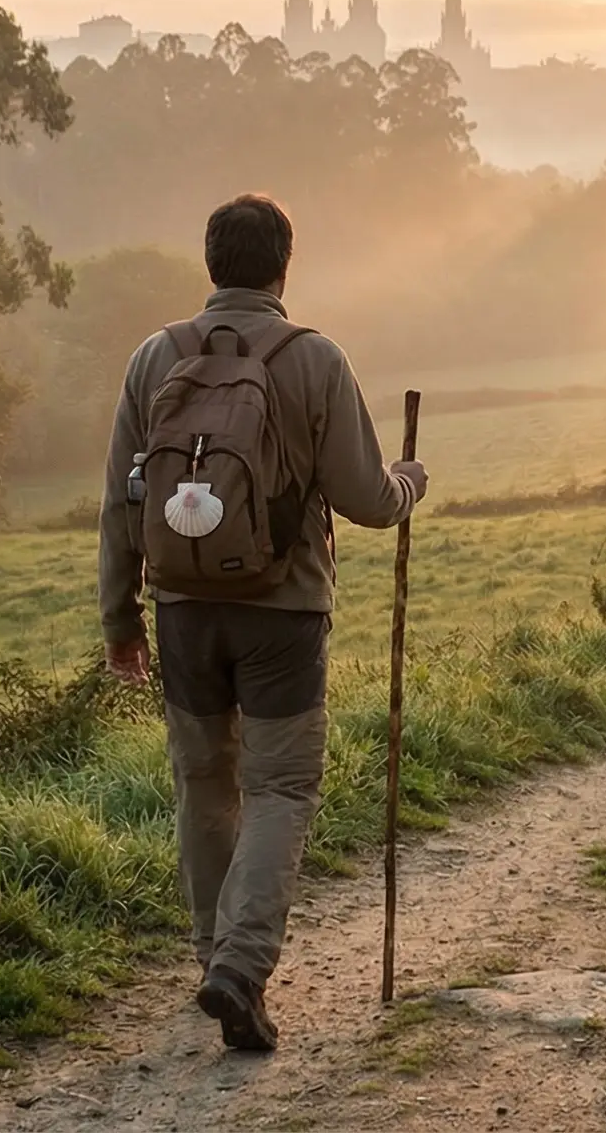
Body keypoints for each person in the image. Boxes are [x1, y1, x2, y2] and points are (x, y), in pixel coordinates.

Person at [99, 192, 426, 1052]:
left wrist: (119, 620)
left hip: (181, 613)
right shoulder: (313, 359)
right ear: (285, 267)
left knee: (204, 784)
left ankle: (211, 952)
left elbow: (118, 504)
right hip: (282, 614)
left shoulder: (152, 357)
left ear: (211, 264)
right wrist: (409, 484)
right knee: (281, 788)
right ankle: (240, 970)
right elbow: (365, 499)